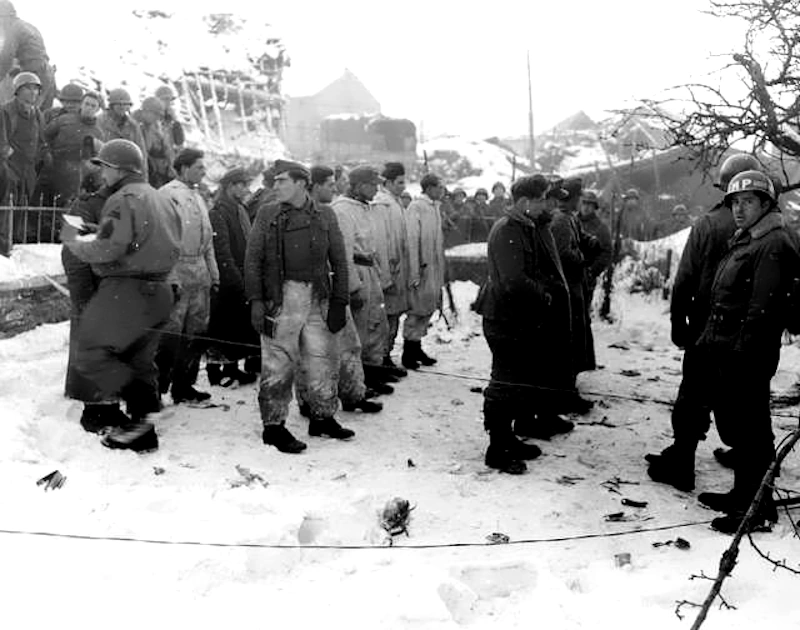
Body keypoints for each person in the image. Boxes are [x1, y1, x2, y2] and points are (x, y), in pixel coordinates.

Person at [646, 153, 761, 492]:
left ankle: (683, 460)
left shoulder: (709, 224)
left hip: (705, 327)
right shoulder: (767, 226)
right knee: (735, 395)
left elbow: (684, 280)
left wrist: (677, 322)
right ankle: (744, 454)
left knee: (694, 393)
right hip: (744, 331)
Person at [693, 170, 799, 534]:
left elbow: (762, 310)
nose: (739, 209)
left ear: (765, 204)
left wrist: (740, 353)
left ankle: (755, 507)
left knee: (752, 430)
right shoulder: (752, 238)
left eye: (748, 202)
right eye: (735, 202)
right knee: (745, 427)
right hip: (732, 347)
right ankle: (745, 495)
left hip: (748, 352)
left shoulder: (772, 243)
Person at [60, 139, 180, 451]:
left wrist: (75, 241)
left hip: (126, 289)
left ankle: (146, 409)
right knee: (141, 361)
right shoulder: (161, 197)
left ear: (117, 168)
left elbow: (109, 248)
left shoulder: (122, 198)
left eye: (105, 167)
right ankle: (143, 434)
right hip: (161, 289)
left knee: (91, 353)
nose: (102, 175)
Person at [245, 159, 354, 454]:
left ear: (301, 184)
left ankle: (322, 416)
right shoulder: (268, 213)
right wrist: (255, 300)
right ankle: (274, 427)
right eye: (275, 181)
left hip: (318, 295)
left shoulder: (325, 215)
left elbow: (340, 260)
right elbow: (253, 259)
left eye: (282, 181)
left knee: (322, 359)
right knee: (278, 362)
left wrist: (340, 300)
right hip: (281, 297)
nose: (275, 186)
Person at [473, 175, 573, 474]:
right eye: (541, 199)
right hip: (504, 318)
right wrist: (543, 294)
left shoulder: (524, 227)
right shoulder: (507, 230)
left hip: (517, 317)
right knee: (504, 383)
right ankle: (497, 448)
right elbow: (513, 281)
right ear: (524, 202)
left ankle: (508, 438)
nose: (546, 205)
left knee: (516, 380)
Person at [298, 165, 382, 414]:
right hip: (309, 292)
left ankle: (354, 394)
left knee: (349, 343)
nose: (335, 189)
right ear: (314, 186)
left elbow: (339, 256)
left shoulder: (327, 213)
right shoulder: (297, 215)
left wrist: (345, 288)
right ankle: (307, 400)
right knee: (311, 350)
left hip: (333, 288)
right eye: (329, 185)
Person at [157, 148, 219, 404]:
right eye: (198, 167)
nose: (204, 172)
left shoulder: (199, 197)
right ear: (183, 168)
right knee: (170, 334)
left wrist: (213, 276)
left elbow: (208, 242)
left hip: (199, 273)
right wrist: (170, 277)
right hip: (177, 271)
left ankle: (184, 386)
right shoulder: (167, 195)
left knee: (196, 333)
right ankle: (156, 389)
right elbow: (161, 240)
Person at [331, 166, 393, 392]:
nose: (376, 189)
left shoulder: (366, 207)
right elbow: (343, 252)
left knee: (375, 325)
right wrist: (352, 287)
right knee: (358, 331)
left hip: (369, 270)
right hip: (356, 271)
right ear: (358, 185)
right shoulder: (342, 210)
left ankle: (372, 375)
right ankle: (356, 382)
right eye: (372, 184)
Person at [206, 167, 259, 387]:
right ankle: (216, 372)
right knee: (223, 326)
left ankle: (231, 368)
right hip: (228, 277)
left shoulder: (239, 209)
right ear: (231, 186)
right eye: (243, 185)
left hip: (239, 273)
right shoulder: (219, 212)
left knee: (235, 326)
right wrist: (236, 280)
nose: (247, 189)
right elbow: (222, 250)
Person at [550, 177, 598, 404]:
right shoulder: (560, 220)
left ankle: (569, 385)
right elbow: (564, 253)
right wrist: (584, 257)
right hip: (567, 286)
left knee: (576, 334)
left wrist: (590, 242)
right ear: (574, 198)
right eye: (579, 197)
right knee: (568, 337)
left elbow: (577, 239)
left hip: (575, 285)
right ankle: (566, 390)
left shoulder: (569, 218)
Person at [0, 71, 48, 254]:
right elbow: (2, 143)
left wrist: (42, 156)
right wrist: (8, 163)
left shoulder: (37, 114)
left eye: (36, 89)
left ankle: (16, 246)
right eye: (28, 88)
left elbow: (42, 140)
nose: (33, 92)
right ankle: (3, 249)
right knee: (7, 206)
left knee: (22, 208)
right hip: (9, 167)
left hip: (29, 169)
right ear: (18, 90)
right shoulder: (6, 110)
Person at [402, 173, 445, 369]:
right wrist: (414, 271)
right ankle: (408, 353)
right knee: (416, 310)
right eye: (439, 187)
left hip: (433, 268)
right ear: (429, 188)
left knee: (427, 309)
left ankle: (417, 346)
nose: (442, 191)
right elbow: (412, 240)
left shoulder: (434, 207)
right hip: (421, 267)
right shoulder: (416, 207)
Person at [372, 162, 410, 375]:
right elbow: (381, 243)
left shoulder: (395, 203)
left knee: (394, 316)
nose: (403, 187)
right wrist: (386, 275)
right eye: (399, 182)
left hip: (398, 270)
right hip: (389, 271)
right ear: (387, 182)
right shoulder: (382, 205)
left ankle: (386, 356)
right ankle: (379, 360)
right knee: (385, 318)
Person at [37, 90, 103, 207]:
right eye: (87, 104)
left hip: (73, 179)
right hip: (50, 170)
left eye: (93, 106)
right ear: (81, 104)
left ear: (98, 110)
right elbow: (44, 136)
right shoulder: (64, 120)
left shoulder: (98, 133)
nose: (89, 108)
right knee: (40, 206)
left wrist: (88, 170)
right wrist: (46, 153)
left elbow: (97, 160)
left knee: (64, 210)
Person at [0, 1, 56, 109]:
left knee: (24, 116)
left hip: (35, 75)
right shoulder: (29, 26)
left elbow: (5, 59)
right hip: (47, 74)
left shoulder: (13, 28)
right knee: (40, 117)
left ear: (4, 17)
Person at [98, 88, 148, 174]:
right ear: (112, 105)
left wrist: (143, 177)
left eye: (125, 104)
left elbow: (141, 153)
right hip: (105, 169)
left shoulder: (133, 126)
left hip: (126, 172)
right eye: (119, 104)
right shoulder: (100, 121)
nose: (122, 107)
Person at [135, 96, 175, 188]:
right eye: (156, 115)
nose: (157, 118)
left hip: (156, 174)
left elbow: (167, 150)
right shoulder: (133, 126)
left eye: (160, 116)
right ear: (146, 111)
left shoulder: (155, 129)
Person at [577, 189, 612, 294]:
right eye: (584, 203)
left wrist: (592, 271)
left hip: (587, 278)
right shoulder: (572, 221)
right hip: (569, 275)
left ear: (594, 207)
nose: (586, 207)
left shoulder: (600, 227)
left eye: (590, 204)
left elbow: (607, 252)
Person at [154, 84, 184, 154]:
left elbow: (179, 142)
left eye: (170, 100)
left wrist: (175, 121)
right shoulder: (152, 118)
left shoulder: (171, 120)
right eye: (165, 99)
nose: (168, 103)